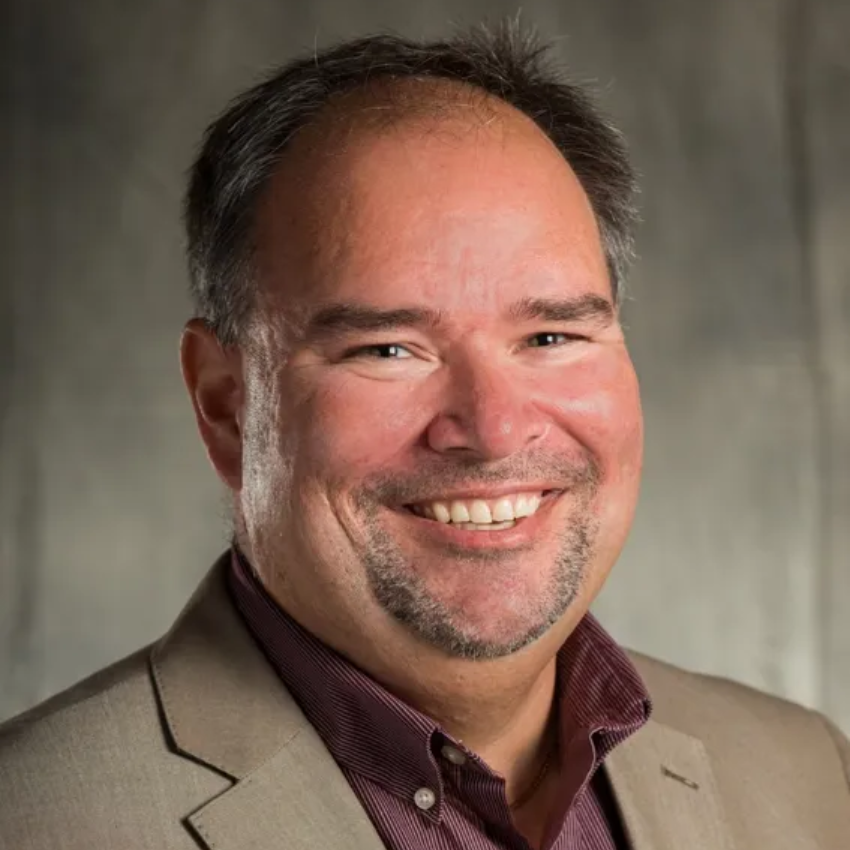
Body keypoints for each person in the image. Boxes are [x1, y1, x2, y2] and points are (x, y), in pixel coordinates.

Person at [0, 21, 847, 850]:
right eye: (387, 348)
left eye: (550, 337)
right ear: (227, 406)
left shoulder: (807, 776)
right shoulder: (35, 820)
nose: (492, 427)